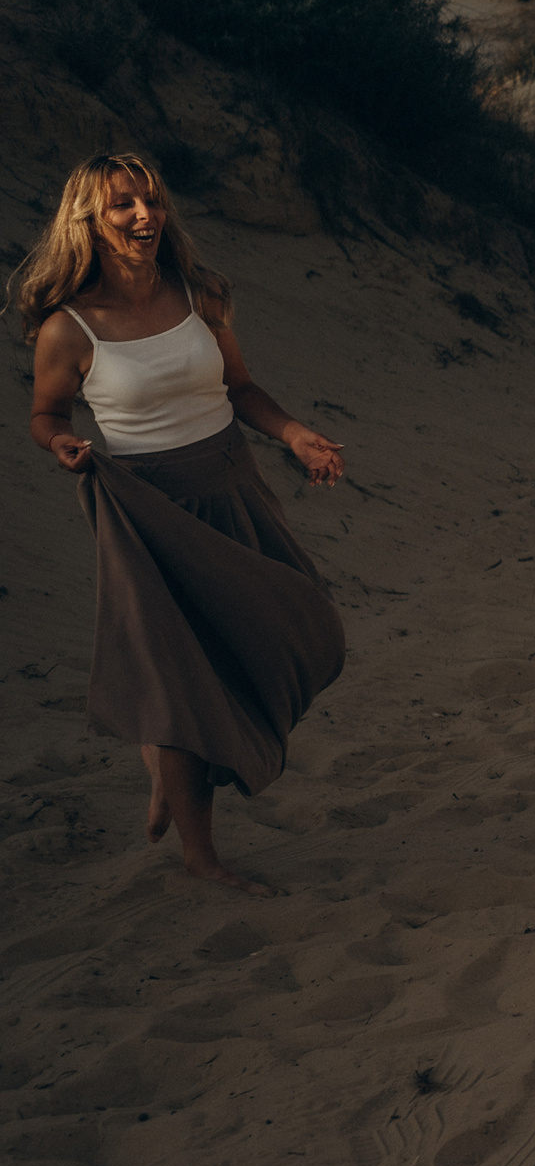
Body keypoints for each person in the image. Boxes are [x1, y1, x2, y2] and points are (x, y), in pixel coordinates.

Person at [15, 152, 347, 897]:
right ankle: (201, 851)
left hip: (232, 490)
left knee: (309, 627)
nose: (143, 216)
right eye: (122, 206)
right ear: (90, 225)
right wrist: (60, 443)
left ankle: (164, 760)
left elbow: (241, 387)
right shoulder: (69, 329)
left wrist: (294, 435)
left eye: (151, 200)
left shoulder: (199, 294)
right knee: (179, 683)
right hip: (147, 512)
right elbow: (46, 415)